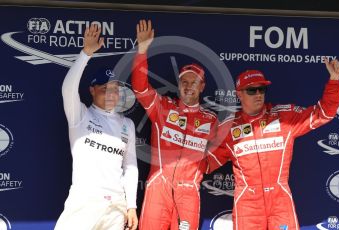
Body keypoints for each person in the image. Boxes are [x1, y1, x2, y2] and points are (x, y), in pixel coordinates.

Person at [207, 60, 339, 230]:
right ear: (239, 94)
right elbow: (204, 163)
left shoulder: (284, 117)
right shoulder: (228, 129)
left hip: (280, 200)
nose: (258, 94)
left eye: (262, 89)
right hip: (248, 204)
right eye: (251, 90)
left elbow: (323, 114)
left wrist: (334, 80)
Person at [131, 19, 218, 230]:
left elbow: (223, 149)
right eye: (184, 82)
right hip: (158, 186)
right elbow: (140, 88)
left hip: (188, 191)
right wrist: (142, 51)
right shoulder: (163, 107)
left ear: (202, 86)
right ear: (179, 84)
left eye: (194, 82)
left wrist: (203, 168)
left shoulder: (211, 120)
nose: (189, 87)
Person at [55, 24, 138, 230]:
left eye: (115, 89)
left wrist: (131, 206)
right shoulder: (80, 115)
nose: (111, 93)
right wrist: (85, 54)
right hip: (85, 202)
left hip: (116, 207)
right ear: (92, 90)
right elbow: (68, 88)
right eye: (104, 88)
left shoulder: (127, 124)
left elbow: (130, 166)